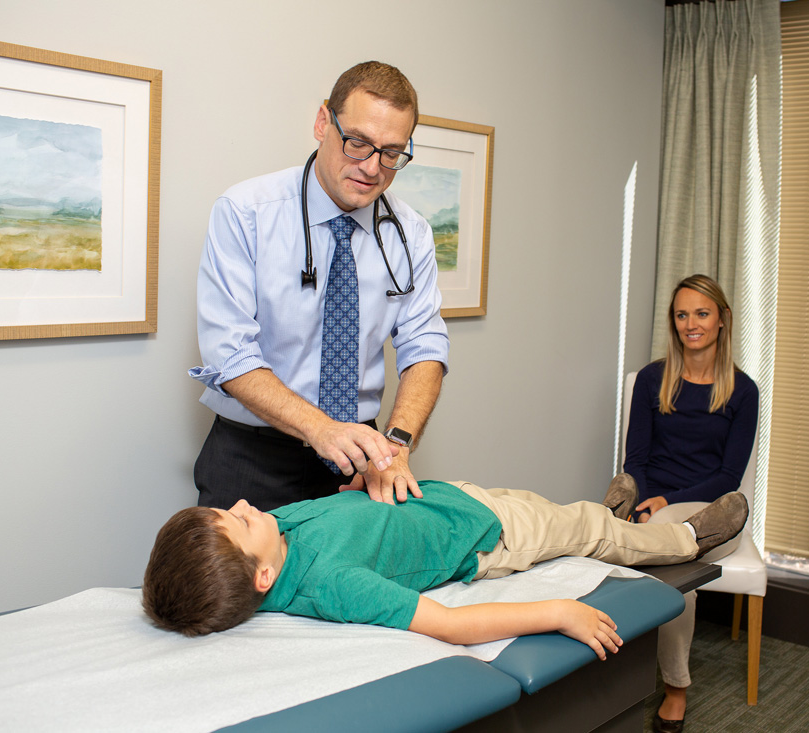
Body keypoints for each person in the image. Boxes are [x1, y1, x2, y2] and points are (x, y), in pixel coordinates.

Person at [188, 61, 448, 512]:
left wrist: (396, 443)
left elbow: (424, 345)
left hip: (361, 460)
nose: (372, 168)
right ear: (323, 122)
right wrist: (320, 428)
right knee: (242, 585)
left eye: (392, 153)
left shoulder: (411, 233)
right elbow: (229, 354)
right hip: (253, 456)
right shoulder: (246, 212)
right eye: (358, 143)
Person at [142, 478, 749, 658]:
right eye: (238, 520)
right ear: (263, 579)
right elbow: (452, 625)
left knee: (555, 511)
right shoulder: (332, 585)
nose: (245, 505)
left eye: (230, 509)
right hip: (487, 536)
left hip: (449, 498)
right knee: (580, 529)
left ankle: (601, 522)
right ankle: (686, 539)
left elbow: (345, 515)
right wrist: (557, 612)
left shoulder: (277, 534)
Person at [623, 274, 759, 733]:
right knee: (628, 521)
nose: (690, 324)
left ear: (721, 320)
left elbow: (727, 477)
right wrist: (643, 497)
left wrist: (665, 502)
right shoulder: (651, 380)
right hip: (649, 504)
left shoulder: (742, 391)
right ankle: (620, 512)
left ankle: (676, 688)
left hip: (711, 515)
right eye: (682, 315)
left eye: (701, 313)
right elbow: (636, 459)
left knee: (673, 554)